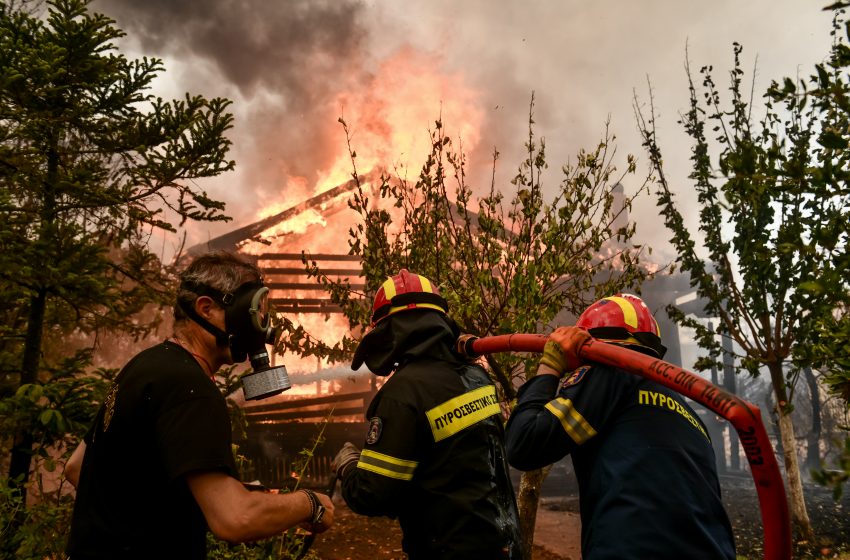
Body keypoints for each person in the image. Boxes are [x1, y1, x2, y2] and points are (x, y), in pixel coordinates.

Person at [64, 251, 334, 559]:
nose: (260, 324)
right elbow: (236, 519)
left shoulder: (142, 367)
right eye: (252, 310)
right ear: (206, 308)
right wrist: (308, 503)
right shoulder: (191, 389)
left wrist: (199, 498)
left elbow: (77, 468)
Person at [505, 293, 736, 560]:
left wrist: (550, 366)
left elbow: (524, 444)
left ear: (588, 341)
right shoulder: (687, 412)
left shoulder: (609, 374)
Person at [330, 269, 523, 559]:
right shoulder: (476, 376)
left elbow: (372, 495)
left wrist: (349, 466)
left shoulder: (402, 395)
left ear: (387, 332)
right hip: (505, 545)